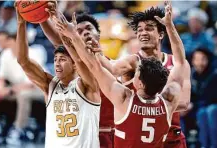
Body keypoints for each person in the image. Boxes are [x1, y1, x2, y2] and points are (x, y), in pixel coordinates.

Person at [53, 7, 189, 147]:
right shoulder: (169, 101)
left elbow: (94, 67)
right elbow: (180, 62)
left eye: (136, 73)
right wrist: (170, 26)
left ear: (140, 83)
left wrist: (72, 35)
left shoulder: (124, 99)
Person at [95, 2, 191, 147]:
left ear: (161, 34)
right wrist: (91, 51)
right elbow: (111, 69)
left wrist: (151, 102)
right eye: (139, 30)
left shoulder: (175, 62)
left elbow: (183, 103)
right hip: (139, 139)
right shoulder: (132, 61)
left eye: (149, 28)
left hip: (171, 136)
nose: (143, 33)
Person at [15, 4, 100, 148]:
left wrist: (68, 33)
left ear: (73, 65)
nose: (57, 64)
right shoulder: (50, 85)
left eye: (62, 60)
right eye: (55, 60)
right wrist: (21, 23)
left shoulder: (87, 84)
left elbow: (79, 59)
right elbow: (23, 61)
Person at [40, 2, 114, 147]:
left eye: (89, 29)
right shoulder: (73, 64)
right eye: (78, 31)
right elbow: (57, 40)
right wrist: (40, 15)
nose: (85, 32)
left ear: (98, 35)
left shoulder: (110, 64)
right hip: (80, 136)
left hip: (108, 133)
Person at [0, 33, 44, 146]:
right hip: (15, 88)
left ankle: (19, 130)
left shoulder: (33, 53)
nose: (4, 43)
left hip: (37, 88)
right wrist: (1, 89)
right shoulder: (5, 54)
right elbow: (1, 78)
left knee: (23, 94)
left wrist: (9, 90)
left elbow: (32, 83)